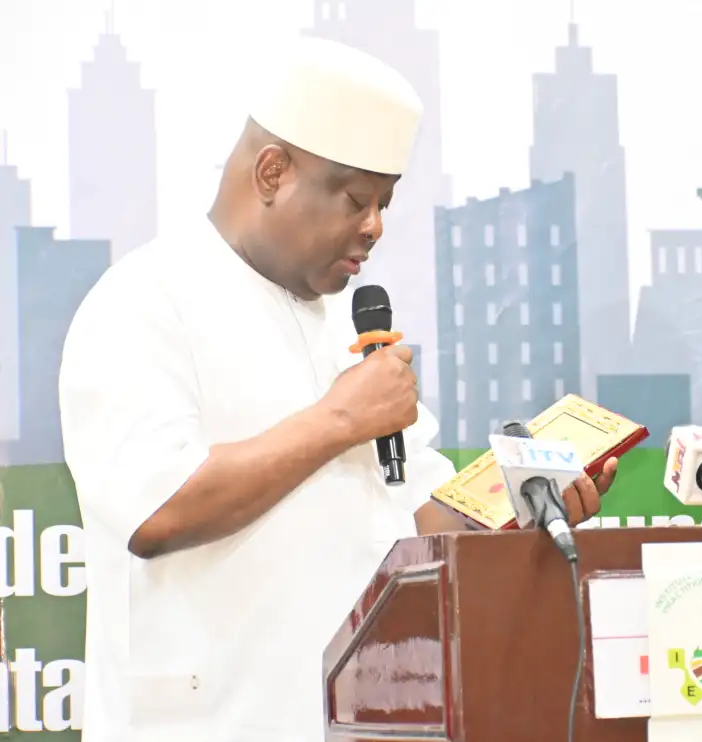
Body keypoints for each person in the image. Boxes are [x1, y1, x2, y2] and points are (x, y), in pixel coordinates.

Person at [58, 37, 617, 742]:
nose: (376, 226)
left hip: (356, 723)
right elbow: (157, 509)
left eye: (385, 203)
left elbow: (416, 521)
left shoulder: (348, 334)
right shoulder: (143, 301)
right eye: (357, 199)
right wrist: (339, 420)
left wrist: (527, 503)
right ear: (272, 172)